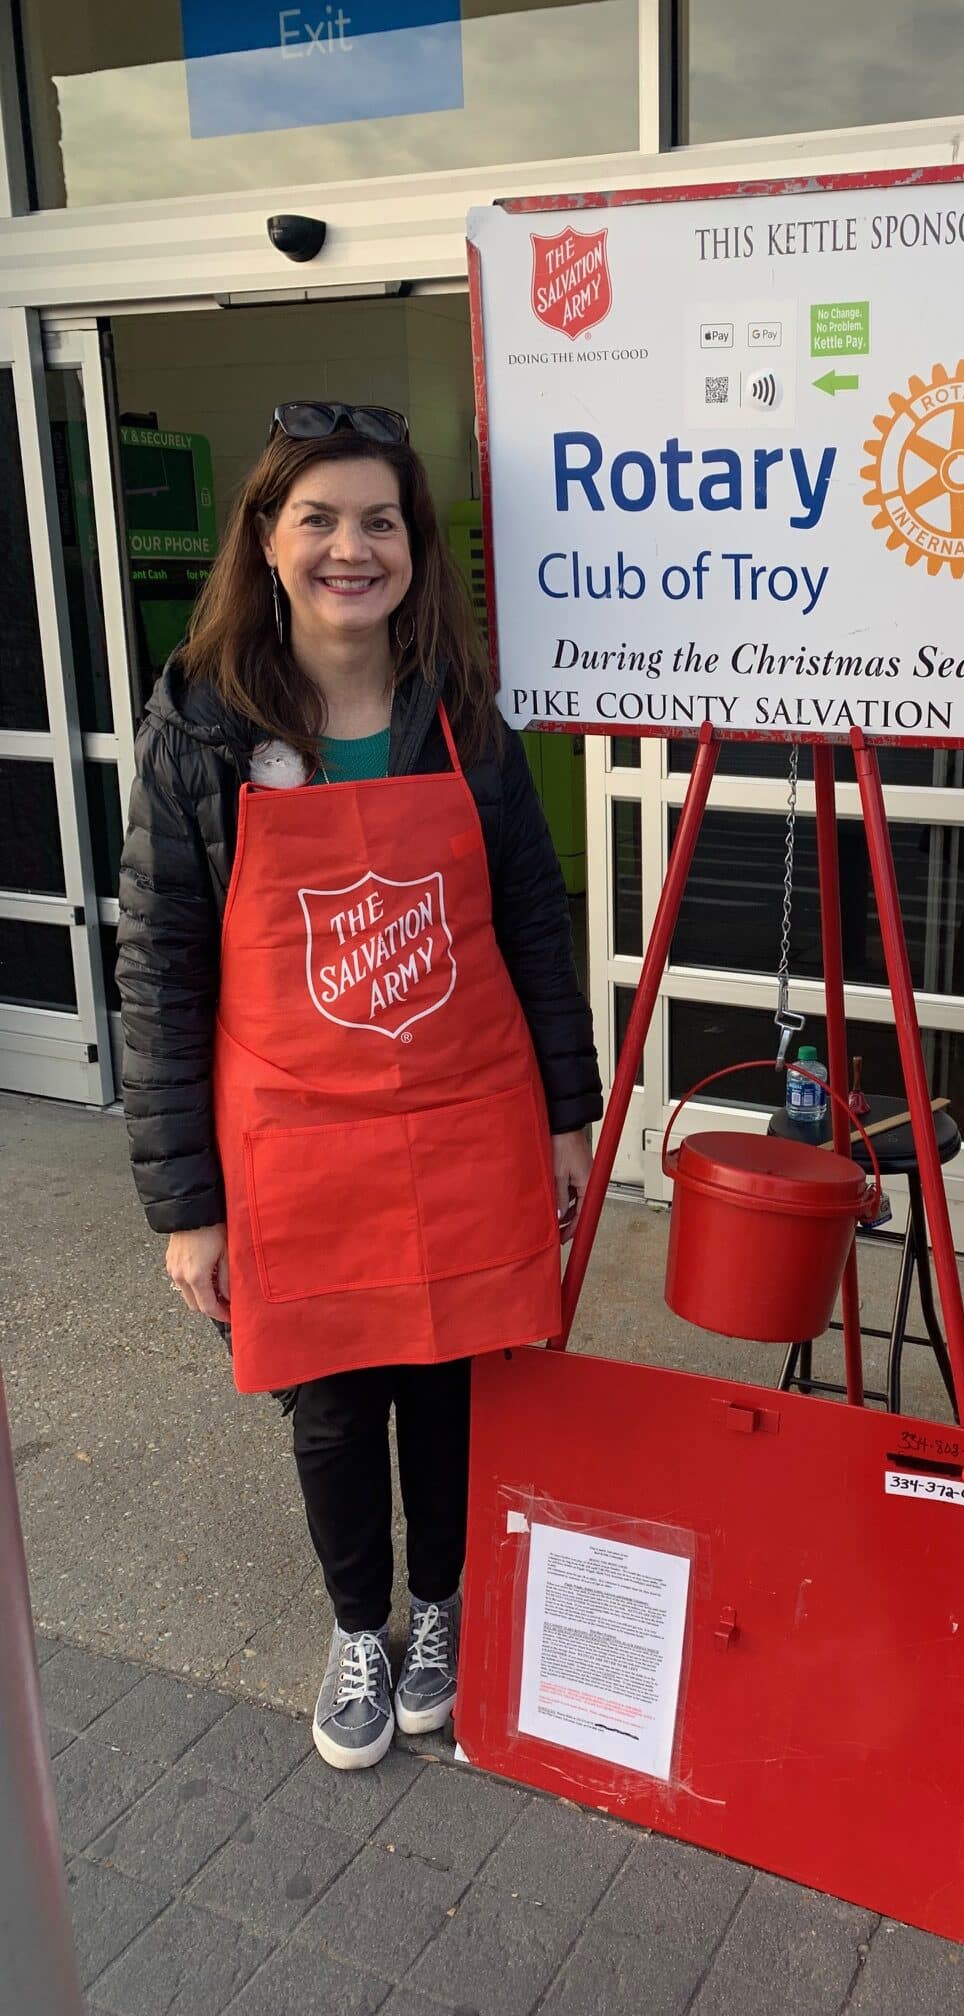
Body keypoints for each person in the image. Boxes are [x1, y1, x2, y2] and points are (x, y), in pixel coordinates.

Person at [117, 401, 601, 1771]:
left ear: (413, 546)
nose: (351, 547)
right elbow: (158, 970)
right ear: (265, 541)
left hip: (463, 1121)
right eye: (317, 518)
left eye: (378, 520)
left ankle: (440, 1610)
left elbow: (532, 924)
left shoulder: (463, 721)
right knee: (330, 1399)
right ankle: (356, 1625)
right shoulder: (202, 729)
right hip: (290, 1142)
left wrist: (569, 1118)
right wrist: (185, 1203)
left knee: (448, 1380)